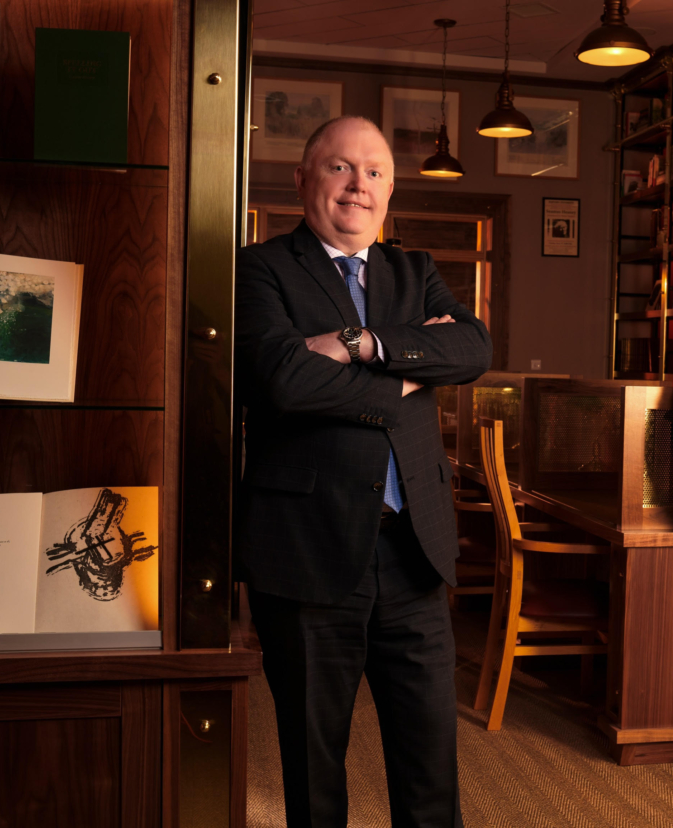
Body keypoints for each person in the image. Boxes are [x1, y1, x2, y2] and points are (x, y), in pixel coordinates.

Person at [235, 115, 492, 827]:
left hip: (414, 550)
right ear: (303, 180)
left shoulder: (414, 272)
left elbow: (471, 349)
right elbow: (285, 381)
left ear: (390, 190)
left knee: (430, 764)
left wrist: (357, 342)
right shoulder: (261, 268)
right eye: (340, 167)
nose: (358, 185)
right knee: (315, 771)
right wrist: (409, 373)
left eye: (374, 172)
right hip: (308, 552)